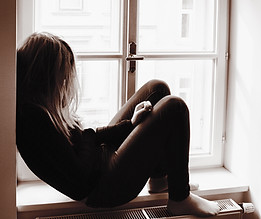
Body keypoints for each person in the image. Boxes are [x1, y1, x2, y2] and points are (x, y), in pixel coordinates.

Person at [16, 32, 220, 217]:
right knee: (174, 107)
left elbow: (88, 140)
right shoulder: (34, 121)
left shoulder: (39, 108)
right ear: (44, 77)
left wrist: (130, 125)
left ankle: (159, 179)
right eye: (62, 76)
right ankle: (180, 199)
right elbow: (80, 179)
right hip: (103, 187)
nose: (66, 83)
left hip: (101, 162)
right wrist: (105, 132)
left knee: (156, 88)